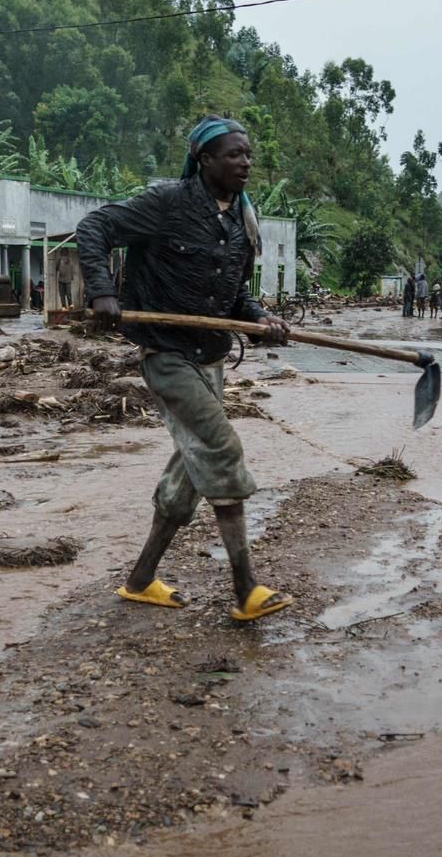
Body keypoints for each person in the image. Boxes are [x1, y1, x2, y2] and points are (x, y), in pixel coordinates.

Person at [77, 116, 294, 623]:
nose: (244, 163)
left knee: (190, 471)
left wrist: (261, 319)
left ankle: (140, 580)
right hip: (167, 355)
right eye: (233, 155)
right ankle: (246, 590)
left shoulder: (242, 220)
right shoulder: (166, 203)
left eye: (248, 155)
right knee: (220, 448)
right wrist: (103, 291)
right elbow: (95, 228)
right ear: (205, 159)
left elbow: (236, 295)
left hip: (211, 357)